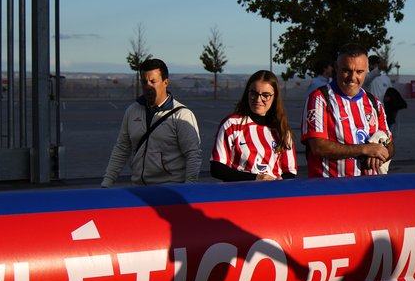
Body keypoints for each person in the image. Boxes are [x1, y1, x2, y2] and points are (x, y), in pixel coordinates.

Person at [101, 58, 202, 187]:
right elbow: (121, 148)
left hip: (170, 190)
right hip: (139, 189)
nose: (148, 86)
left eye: (153, 81)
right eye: (144, 82)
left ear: (165, 82)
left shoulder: (182, 115)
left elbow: (193, 154)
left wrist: (189, 188)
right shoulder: (132, 111)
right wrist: (107, 182)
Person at [302, 44, 394, 178]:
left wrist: (382, 153)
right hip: (331, 191)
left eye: (359, 72)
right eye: (347, 70)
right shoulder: (320, 98)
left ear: (367, 71)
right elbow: (318, 147)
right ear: (336, 67)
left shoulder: (374, 102)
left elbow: (390, 143)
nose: (352, 77)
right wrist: (364, 149)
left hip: (369, 189)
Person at [210, 70, 297, 181]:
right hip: (239, 195)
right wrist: (255, 178)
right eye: (254, 93)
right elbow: (217, 168)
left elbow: (289, 172)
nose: (258, 99)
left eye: (265, 95)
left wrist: (277, 184)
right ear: (247, 93)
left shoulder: (282, 129)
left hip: (273, 195)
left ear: (275, 97)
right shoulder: (231, 125)